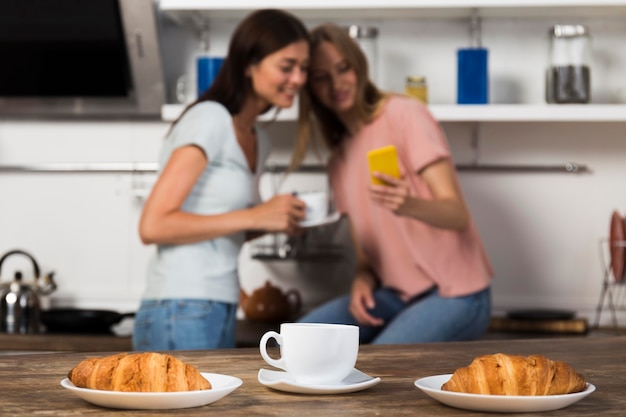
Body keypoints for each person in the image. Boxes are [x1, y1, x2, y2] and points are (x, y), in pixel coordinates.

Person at [296, 23, 494, 344]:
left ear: (358, 66)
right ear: (310, 87)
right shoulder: (339, 160)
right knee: (289, 344)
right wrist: (362, 278)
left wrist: (409, 205)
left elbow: (457, 213)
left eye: (343, 69)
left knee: (378, 367)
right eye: (321, 77)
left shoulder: (405, 114)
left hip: (456, 294)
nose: (336, 84)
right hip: (393, 296)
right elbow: (365, 249)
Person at [133, 9, 310, 351]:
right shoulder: (209, 119)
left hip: (219, 303)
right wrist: (257, 215)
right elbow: (153, 225)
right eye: (287, 66)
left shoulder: (259, 136)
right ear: (248, 64)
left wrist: (278, 221)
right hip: (179, 303)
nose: (299, 78)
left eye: (303, 68)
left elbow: (225, 229)